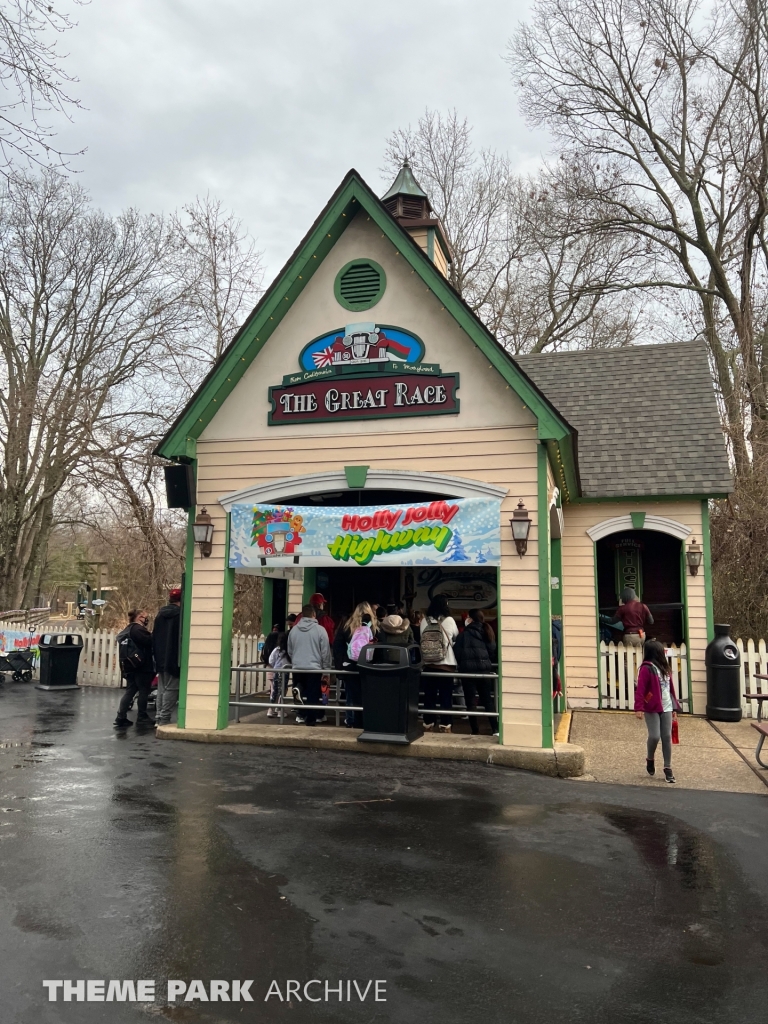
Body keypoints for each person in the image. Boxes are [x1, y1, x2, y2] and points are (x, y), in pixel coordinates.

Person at [634, 639, 680, 783]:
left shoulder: (665, 668)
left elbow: (670, 688)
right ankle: (650, 758)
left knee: (666, 736)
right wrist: (639, 707)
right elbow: (640, 689)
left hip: (667, 707)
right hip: (652, 707)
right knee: (654, 736)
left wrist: (674, 707)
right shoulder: (646, 668)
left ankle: (668, 768)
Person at [453, 610, 498, 736]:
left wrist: (464, 662)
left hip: (468, 672)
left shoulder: (463, 635)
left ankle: (475, 730)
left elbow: (457, 653)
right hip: (484, 671)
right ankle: (495, 729)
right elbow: (492, 650)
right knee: (488, 701)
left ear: (471, 619)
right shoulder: (487, 631)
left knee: (470, 702)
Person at [287, 603, 332, 725]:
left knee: (302, 692)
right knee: (313, 694)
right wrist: (326, 669)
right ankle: (311, 719)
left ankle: (300, 714)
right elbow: (325, 652)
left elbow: (290, 650)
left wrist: (295, 661)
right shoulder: (320, 630)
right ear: (314, 614)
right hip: (314, 668)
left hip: (297, 667)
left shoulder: (293, 631)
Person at [333, 602, 376, 728]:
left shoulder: (347, 626)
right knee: (368, 695)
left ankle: (351, 720)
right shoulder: (374, 627)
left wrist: (341, 665)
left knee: (351, 695)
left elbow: (337, 646)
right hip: (368, 666)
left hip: (350, 665)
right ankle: (367, 720)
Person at [420, 595, 459, 732]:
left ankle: (428, 723)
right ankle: (445, 724)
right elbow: (455, 636)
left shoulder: (424, 621)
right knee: (445, 696)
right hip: (446, 665)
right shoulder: (449, 620)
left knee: (429, 696)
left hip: (428, 664)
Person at [114, 609, 155, 728]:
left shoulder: (127, 630)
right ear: (139, 617)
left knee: (130, 690)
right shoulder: (138, 630)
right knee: (143, 691)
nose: (146, 619)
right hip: (142, 665)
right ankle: (142, 716)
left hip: (130, 665)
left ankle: (121, 717)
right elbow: (150, 641)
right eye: (145, 617)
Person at [152, 588, 182, 728]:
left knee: (162, 688)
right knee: (172, 688)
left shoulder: (160, 615)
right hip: (174, 656)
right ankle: (164, 718)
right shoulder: (180, 615)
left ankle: (158, 717)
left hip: (160, 656)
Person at [267, 631, 290, 718]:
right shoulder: (288, 651)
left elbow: (271, 660)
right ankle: (280, 710)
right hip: (285, 672)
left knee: (275, 690)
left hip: (276, 671)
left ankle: (270, 709)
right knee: (282, 691)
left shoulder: (276, 650)